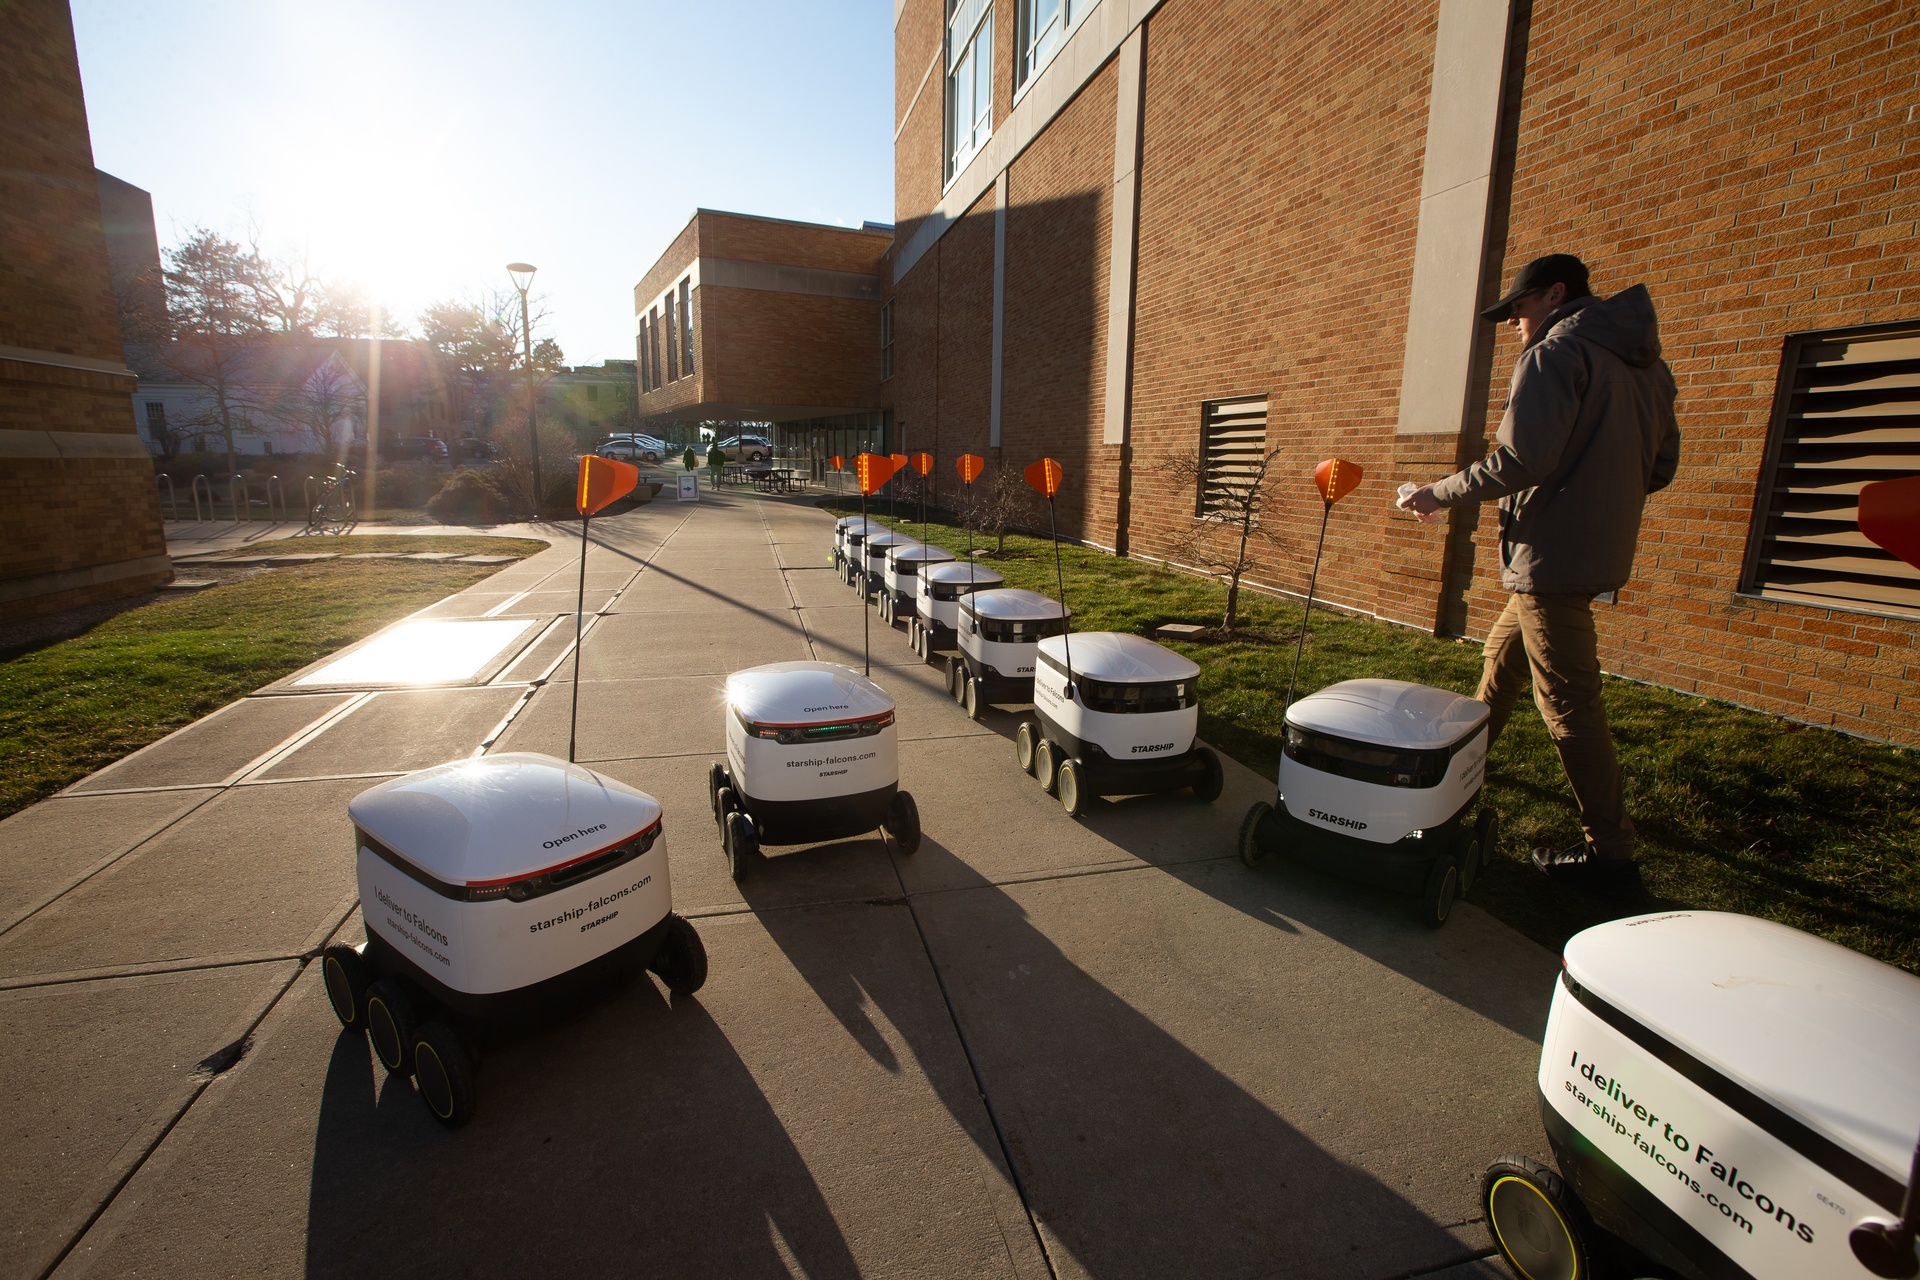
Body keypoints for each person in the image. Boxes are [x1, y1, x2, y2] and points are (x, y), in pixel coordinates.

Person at [1399, 253, 1680, 890]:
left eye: (1519, 310)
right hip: (1587, 556)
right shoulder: (1649, 370)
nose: (1515, 324)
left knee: (1571, 710)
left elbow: (1519, 460)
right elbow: (1659, 470)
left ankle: (1613, 859)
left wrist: (1436, 494)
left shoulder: (1556, 354)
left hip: (1549, 559)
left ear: (1555, 295)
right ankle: (1450, 789)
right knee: (1498, 672)